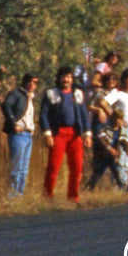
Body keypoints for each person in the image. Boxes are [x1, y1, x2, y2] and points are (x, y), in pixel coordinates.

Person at [39, 67, 91, 203]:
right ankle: (47, 197)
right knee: (54, 166)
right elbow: (43, 115)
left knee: (77, 166)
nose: (66, 80)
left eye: (68, 77)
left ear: (72, 79)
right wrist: (47, 133)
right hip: (58, 134)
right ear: (58, 78)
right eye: (63, 77)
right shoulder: (51, 93)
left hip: (75, 134)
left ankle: (73, 197)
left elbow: (84, 115)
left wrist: (87, 134)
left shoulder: (78, 94)